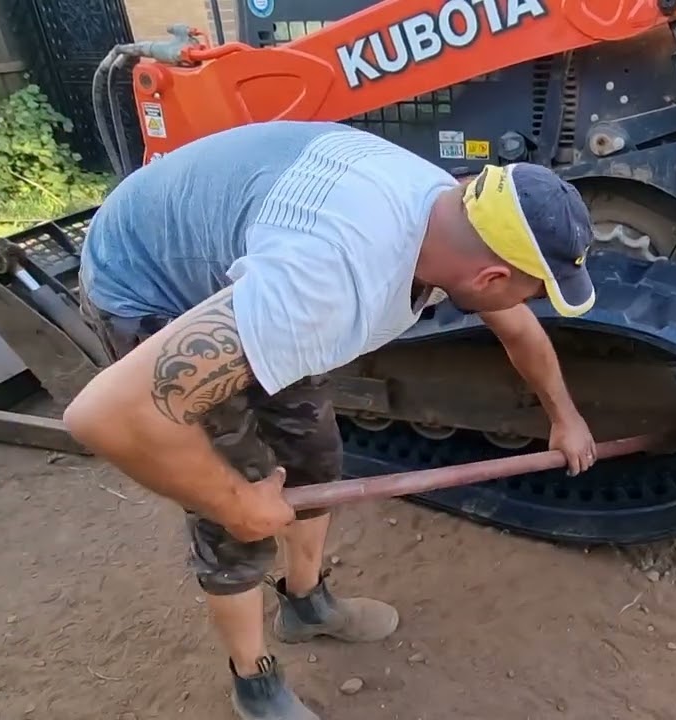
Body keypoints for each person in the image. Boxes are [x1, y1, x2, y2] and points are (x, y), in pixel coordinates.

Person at [62, 120, 600, 720]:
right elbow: (105, 415)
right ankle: (254, 682)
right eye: (531, 292)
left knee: (314, 460)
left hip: (253, 269)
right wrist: (234, 503)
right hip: (150, 286)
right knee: (238, 516)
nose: (525, 306)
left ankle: (305, 604)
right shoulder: (330, 284)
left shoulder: (452, 212)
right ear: (491, 277)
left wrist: (565, 416)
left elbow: (517, 328)